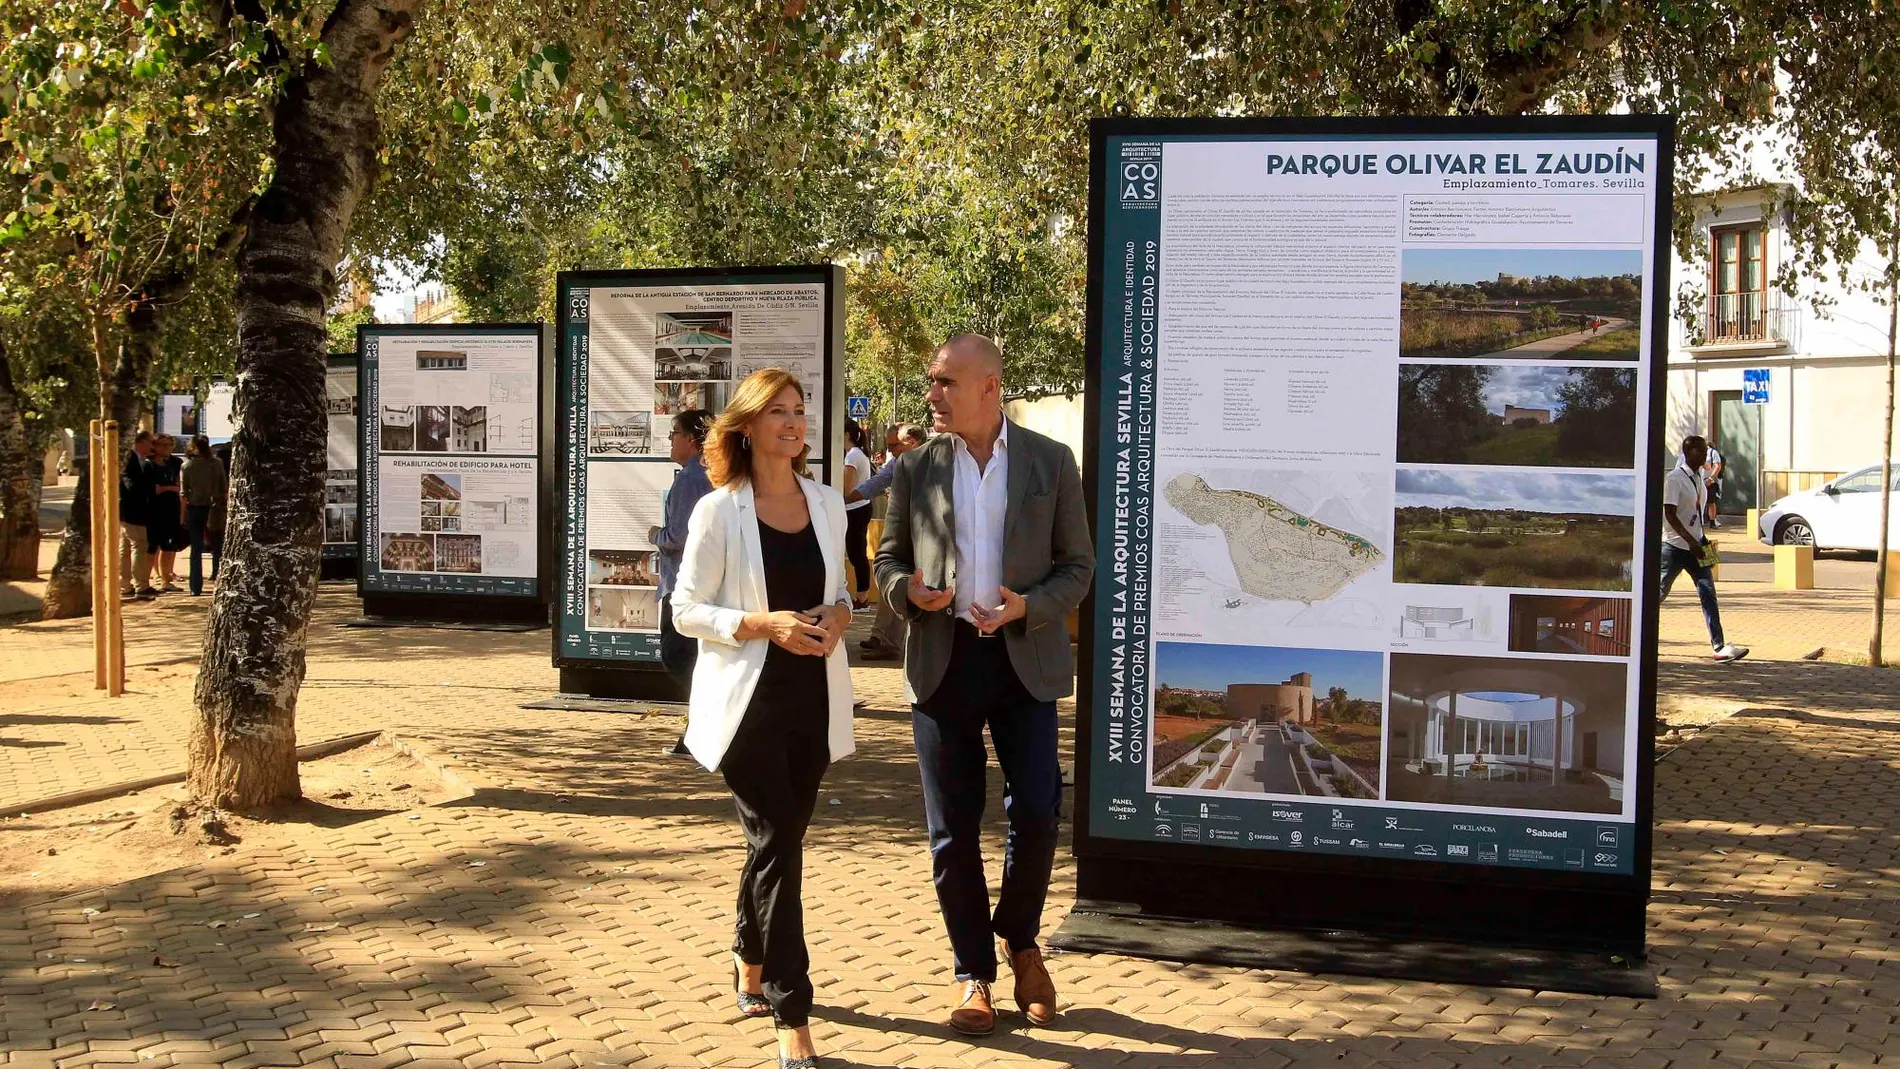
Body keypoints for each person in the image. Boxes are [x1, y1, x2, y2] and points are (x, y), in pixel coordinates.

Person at [873, 334, 1095, 1035]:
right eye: (931, 380)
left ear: (989, 386)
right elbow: (886, 561)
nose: (932, 393)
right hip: (942, 665)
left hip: (1023, 660)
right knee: (952, 831)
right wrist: (910, 590)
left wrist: (1029, 605)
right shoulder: (914, 469)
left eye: (944, 381)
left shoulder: (1050, 462)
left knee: (1037, 809)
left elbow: (1078, 566)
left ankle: (1021, 937)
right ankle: (974, 974)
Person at [671, 369, 855, 1069]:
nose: (793, 422)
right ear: (747, 427)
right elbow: (686, 609)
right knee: (781, 839)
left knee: (775, 843)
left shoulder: (828, 503)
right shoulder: (720, 511)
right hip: (746, 706)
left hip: (813, 698)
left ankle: (749, 954)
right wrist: (759, 622)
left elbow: (841, 595)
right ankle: (791, 1010)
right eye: (777, 411)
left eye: (799, 410)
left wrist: (836, 617)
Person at [649, 408, 715, 758]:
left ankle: (706, 726)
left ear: (690, 439)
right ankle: (697, 731)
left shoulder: (692, 477)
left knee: (679, 658)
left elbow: (679, 536)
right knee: (689, 659)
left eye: (673, 433)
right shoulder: (708, 472)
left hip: (683, 585)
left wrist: (654, 535)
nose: (670, 440)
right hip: (699, 583)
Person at [1663, 435, 1748, 662]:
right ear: (1689, 452)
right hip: (1674, 547)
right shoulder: (1674, 479)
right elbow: (1669, 514)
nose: (1705, 455)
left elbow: (1696, 513)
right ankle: (1633, 634)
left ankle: (1719, 647)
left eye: (1705, 450)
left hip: (1697, 546)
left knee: (1708, 593)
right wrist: (1689, 541)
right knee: (1658, 593)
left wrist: (1701, 540)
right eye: (1700, 451)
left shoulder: (1699, 476)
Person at [849, 423, 928, 660]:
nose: (891, 450)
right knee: (889, 577)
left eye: (895, 445)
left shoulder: (933, 462)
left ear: (911, 443)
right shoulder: (900, 462)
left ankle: (890, 641)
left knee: (906, 584)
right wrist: (842, 499)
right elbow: (878, 481)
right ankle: (881, 636)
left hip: (924, 535)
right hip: (904, 531)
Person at [180, 434, 227, 596]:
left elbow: (184, 492)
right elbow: (223, 487)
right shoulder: (217, 464)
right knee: (218, 547)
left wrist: (182, 514)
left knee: (196, 549)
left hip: (195, 508)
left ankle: (195, 586)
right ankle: (219, 580)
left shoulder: (187, 467)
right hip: (215, 507)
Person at [118, 430, 159, 599]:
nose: (152, 446)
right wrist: (148, 490)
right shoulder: (130, 458)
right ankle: (140, 584)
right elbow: (130, 485)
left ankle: (125, 584)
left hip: (129, 510)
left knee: (126, 547)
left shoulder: (138, 460)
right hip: (133, 511)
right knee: (138, 546)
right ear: (141, 442)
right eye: (151, 442)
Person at [840, 419, 874, 609]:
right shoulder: (856, 454)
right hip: (859, 508)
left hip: (855, 509)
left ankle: (862, 598)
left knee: (857, 554)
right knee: (856, 553)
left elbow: (846, 488)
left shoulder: (852, 456)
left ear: (846, 435)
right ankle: (862, 596)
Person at [147, 434, 187, 591]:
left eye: (169, 445)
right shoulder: (148, 464)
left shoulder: (176, 463)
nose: (166, 448)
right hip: (154, 509)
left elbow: (180, 485)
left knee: (169, 546)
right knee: (151, 547)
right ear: (155, 446)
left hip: (172, 507)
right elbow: (152, 489)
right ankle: (146, 580)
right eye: (162, 445)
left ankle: (166, 579)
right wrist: (169, 488)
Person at [1702, 441, 1726, 527]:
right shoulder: (1696, 452)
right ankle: (1700, 521)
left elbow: (1718, 466)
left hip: (1709, 481)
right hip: (1698, 480)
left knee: (1711, 502)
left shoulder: (1712, 452)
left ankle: (1712, 522)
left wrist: (1710, 478)